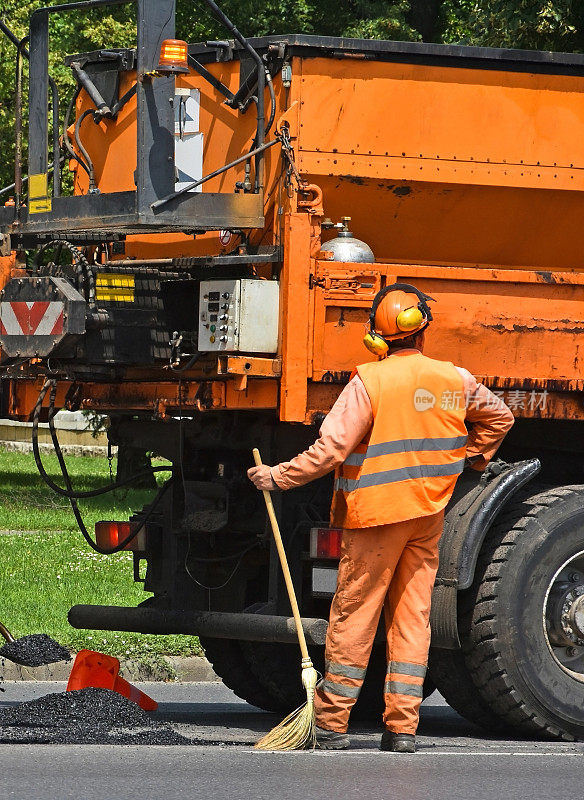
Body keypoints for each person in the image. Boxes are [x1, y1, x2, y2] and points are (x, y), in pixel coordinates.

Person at [248, 283, 514, 753]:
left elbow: (331, 449)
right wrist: (468, 461)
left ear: (378, 337)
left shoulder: (369, 381)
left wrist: (278, 477)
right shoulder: (456, 379)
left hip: (375, 518)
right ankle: (403, 728)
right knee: (413, 618)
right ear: (422, 330)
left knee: (355, 615)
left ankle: (332, 723)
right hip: (428, 514)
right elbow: (500, 417)